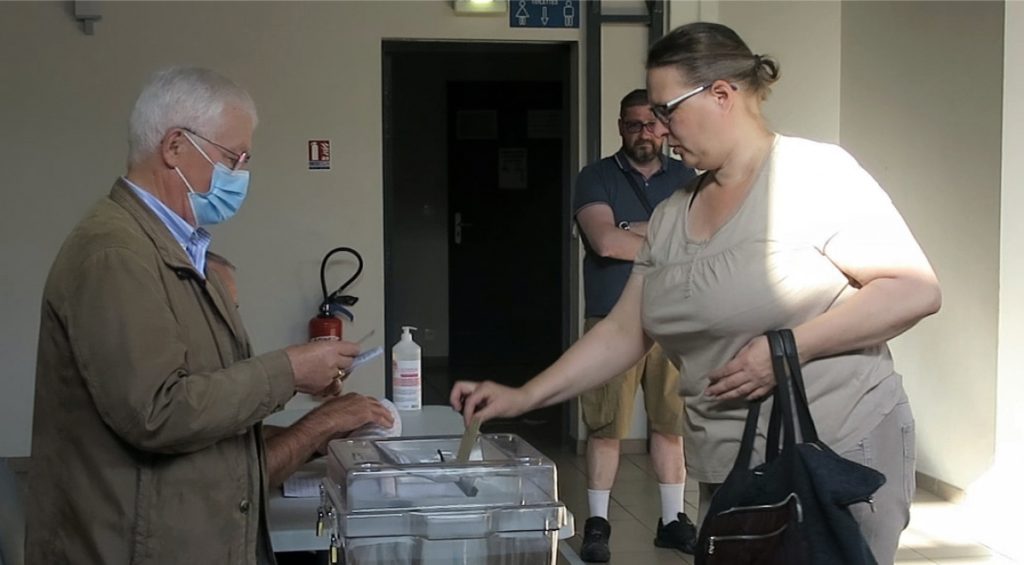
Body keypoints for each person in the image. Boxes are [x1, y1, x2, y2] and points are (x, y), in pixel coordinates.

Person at [451, 22, 941, 565]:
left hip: (835, 452)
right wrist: (524, 396)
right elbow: (623, 331)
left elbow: (912, 289)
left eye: (667, 111)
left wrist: (785, 349)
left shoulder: (813, 174)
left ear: (722, 94)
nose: (659, 130)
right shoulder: (670, 215)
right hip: (730, 470)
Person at [26, 67, 392, 565]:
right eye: (232, 157)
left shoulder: (174, 249)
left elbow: (207, 402)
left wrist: (302, 382)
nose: (240, 175)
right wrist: (289, 372)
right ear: (175, 146)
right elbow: (160, 413)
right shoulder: (115, 255)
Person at [572, 88, 696, 561]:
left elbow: (702, 240)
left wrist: (630, 228)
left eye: (650, 124)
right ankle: (598, 524)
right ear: (619, 127)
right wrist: (667, 237)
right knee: (605, 426)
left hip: (674, 317)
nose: (642, 133)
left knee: (670, 424)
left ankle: (672, 521)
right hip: (612, 319)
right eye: (632, 124)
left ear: (663, 126)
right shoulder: (596, 177)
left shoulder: (687, 177)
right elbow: (605, 242)